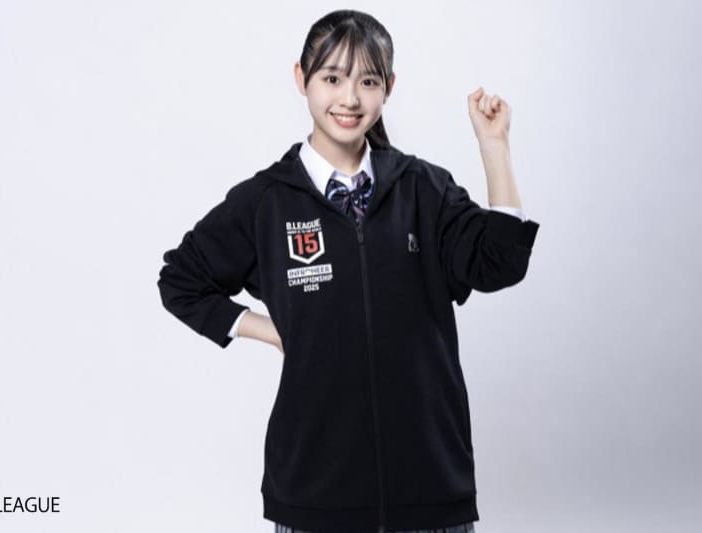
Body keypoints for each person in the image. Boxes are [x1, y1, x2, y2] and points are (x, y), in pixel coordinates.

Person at [157, 8, 540, 533]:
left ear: (389, 88)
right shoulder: (267, 201)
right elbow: (180, 280)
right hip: (314, 494)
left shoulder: (423, 189)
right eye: (332, 79)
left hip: (429, 488)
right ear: (302, 79)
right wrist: (270, 330)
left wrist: (494, 147)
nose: (350, 99)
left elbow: (500, 263)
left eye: (368, 82)